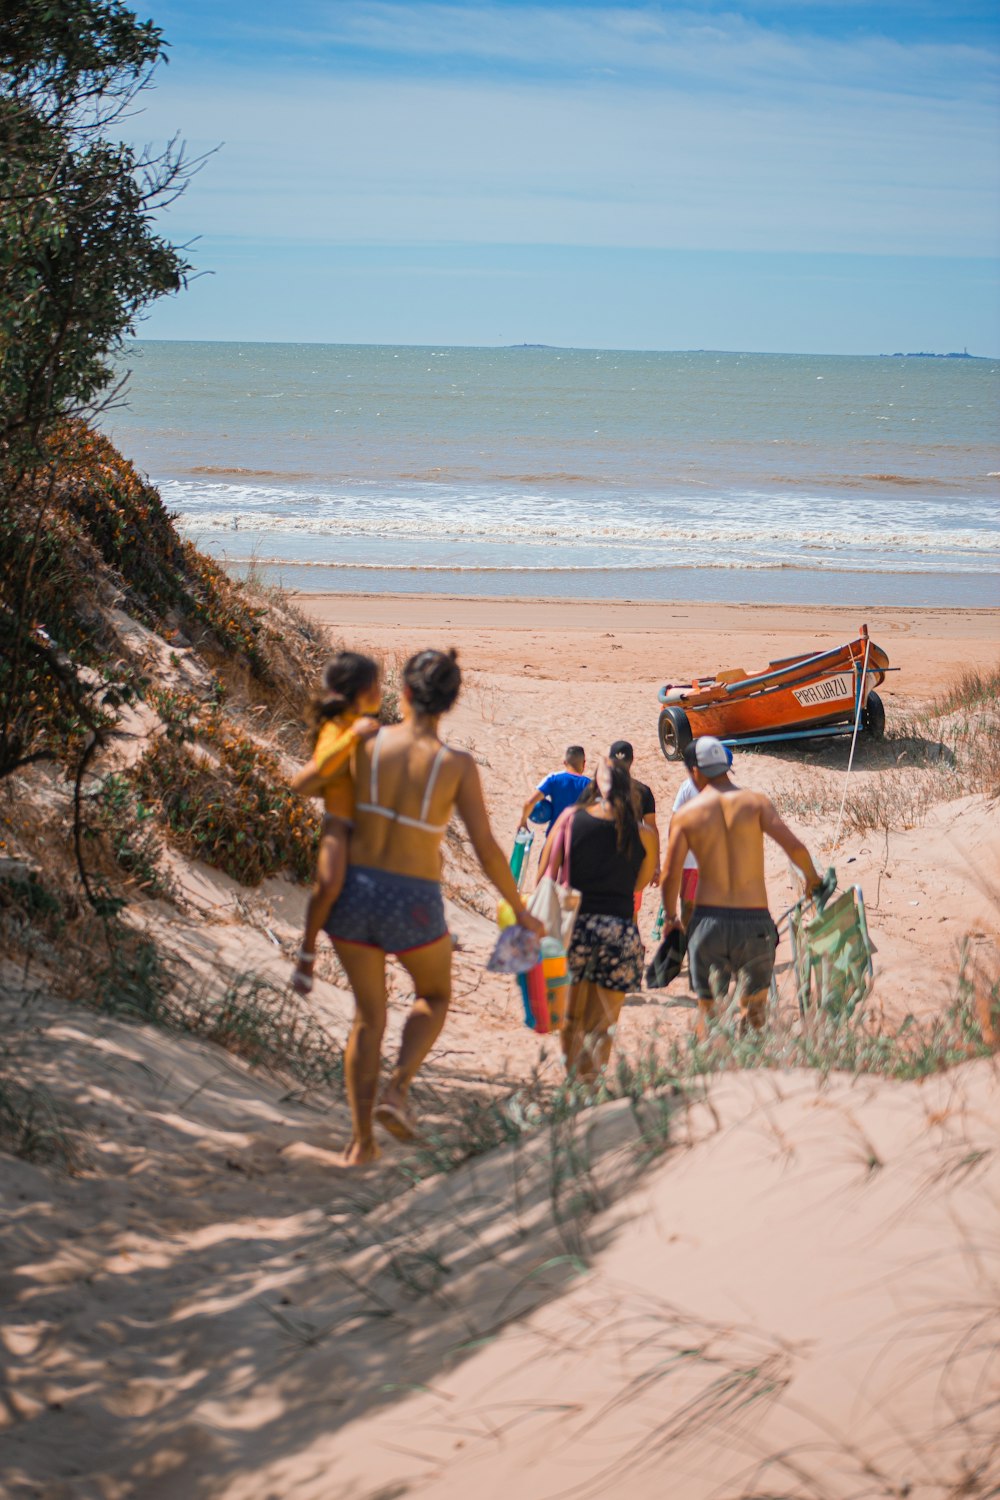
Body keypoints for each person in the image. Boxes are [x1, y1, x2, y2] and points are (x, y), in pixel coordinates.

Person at [324, 648, 544, 1167]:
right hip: (414, 899)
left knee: (367, 1019)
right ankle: (397, 1089)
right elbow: (488, 849)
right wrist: (521, 908)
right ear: (451, 702)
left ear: (402, 692)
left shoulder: (366, 739)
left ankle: (360, 1142)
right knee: (435, 995)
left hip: (355, 892)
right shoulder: (456, 766)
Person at [660, 736, 822, 1038]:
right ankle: (750, 1064)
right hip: (754, 921)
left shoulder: (688, 814)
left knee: (709, 1012)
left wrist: (671, 918)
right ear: (725, 768)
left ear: (695, 771)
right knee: (755, 1008)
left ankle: (712, 1072)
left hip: (708, 922)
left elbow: (670, 873)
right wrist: (813, 880)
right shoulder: (756, 803)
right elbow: (795, 848)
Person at [541, 758, 657, 1081]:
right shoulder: (645, 834)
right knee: (602, 1025)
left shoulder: (570, 818)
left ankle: (571, 1080)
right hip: (619, 930)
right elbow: (639, 883)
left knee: (571, 1017)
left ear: (595, 786)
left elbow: (548, 873)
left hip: (575, 929)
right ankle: (590, 1088)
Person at [289, 652, 383, 996]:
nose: (380, 691)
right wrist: (354, 736)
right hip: (339, 825)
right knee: (328, 886)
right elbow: (325, 764)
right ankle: (307, 952)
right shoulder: (337, 727)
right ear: (357, 690)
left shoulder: (371, 728)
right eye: (375, 685)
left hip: (370, 830)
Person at [670, 742, 734, 929]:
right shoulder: (728, 791)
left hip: (694, 860)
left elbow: (675, 822)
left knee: (690, 907)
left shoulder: (689, 786)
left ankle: (694, 946)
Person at [609, 739, 660, 909]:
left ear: (610, 761)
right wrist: (655, 865)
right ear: (632, 760)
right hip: (634, 860)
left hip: (604, 857)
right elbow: (651, 827)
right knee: (631, 913)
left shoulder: (598, 789)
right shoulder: (643, 791)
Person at [519, 745, 589, 833]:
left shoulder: (554, 779)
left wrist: (522, 821)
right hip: (579, 838)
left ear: (565, 762)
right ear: (584, 763)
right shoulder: (591, 785)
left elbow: (529, 803)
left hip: (555, 837)